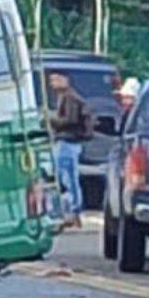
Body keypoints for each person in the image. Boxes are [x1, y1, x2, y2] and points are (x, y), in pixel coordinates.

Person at [48, 72, 92, 228]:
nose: (53, 83)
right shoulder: (65, 97)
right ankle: (70, 212)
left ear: (66, 80)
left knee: (66, 178)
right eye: (52, 80)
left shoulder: (70, 98)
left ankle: (72, 212)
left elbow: (70, 120)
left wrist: (51, 119)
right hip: (67, 141)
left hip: (68, 141)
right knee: (64, 177)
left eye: (57, 79)